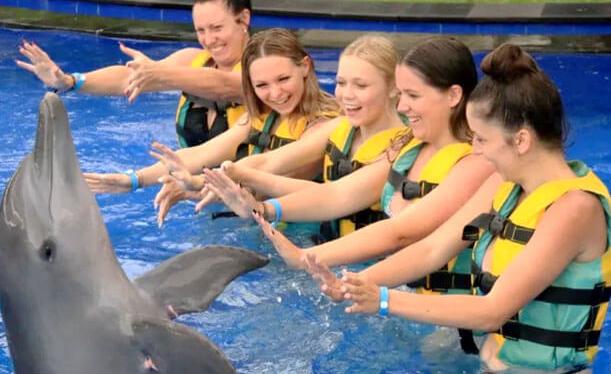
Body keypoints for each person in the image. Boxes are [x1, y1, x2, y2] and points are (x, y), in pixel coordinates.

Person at [311, 43, 611, 374]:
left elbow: (492, 311)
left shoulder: (575, 209)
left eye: (482, 139)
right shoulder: (503, 186)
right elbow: (433, 249)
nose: (474, 149)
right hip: (486, 372)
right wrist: (356, 284)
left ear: (520, 140)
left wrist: (384, 301)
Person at [206, 37, 489, 249]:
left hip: (384, 278)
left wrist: (306, 257)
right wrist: (228, 184)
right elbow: (335, 194)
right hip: (357, 265)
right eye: (341, 83)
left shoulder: (474, 162)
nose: (404, 106)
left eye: (361, 85)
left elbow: (408, 237)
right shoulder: (407, 147)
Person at [86, 28, 341, 225]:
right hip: (265, 226)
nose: (275, 93)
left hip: (308, 239)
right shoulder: (263, 116)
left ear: (305, 67)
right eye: (261, 85)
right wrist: (133, 180)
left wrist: (197, 185)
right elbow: (201, 153)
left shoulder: (326, 124)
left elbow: (268, 172)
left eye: (283, 79)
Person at [16, 0, 250, 148]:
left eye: (217, 28)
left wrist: (161, 75)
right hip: (192, 194)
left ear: (244, 19)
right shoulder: (192, 60)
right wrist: (69, 81)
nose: (209, 40)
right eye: (201, 30)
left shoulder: (264, 68)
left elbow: (226, 85)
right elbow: (127, 78)